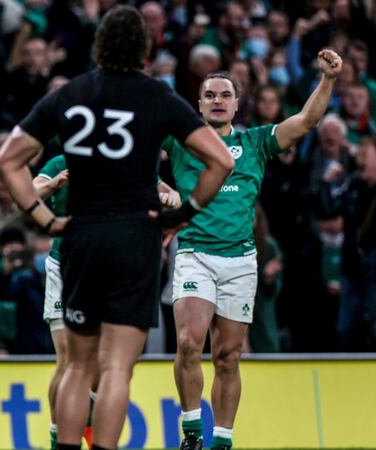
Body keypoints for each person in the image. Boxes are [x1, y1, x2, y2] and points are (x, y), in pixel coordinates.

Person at [0, 6, 234, 450]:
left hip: (81, 236)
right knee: (117, 368)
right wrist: (182, 215)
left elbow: (6, 161)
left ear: (98, 45)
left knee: (78, 366)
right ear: (145, 48)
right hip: (136, 239)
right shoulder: (157, 96)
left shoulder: (70, 94)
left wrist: (43, 218)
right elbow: (221, 159)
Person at [164, 49, 341, 450]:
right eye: (210, 95)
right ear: (199, 103)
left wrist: (327, 80)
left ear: (237, 104)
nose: (218, 100)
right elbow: (137, 156)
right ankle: (192, 431)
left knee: (228, 356)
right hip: (194, 253)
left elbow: (306, 121)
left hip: (240, 261)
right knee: (190, 343)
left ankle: (222, 440)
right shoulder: (179, 142)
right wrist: (160, 190)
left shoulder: (255, 141)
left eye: (225, 94)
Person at [33, 155, 182, 448]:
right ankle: (57, 439)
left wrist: (173, 198)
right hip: (65, 268)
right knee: (68, 361)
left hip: (110, 272)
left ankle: (91, 435)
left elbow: (167, 192)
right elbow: (29, 192)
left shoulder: (126, 160)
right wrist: (55, 183)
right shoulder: (60, 162)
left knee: (102, 369)